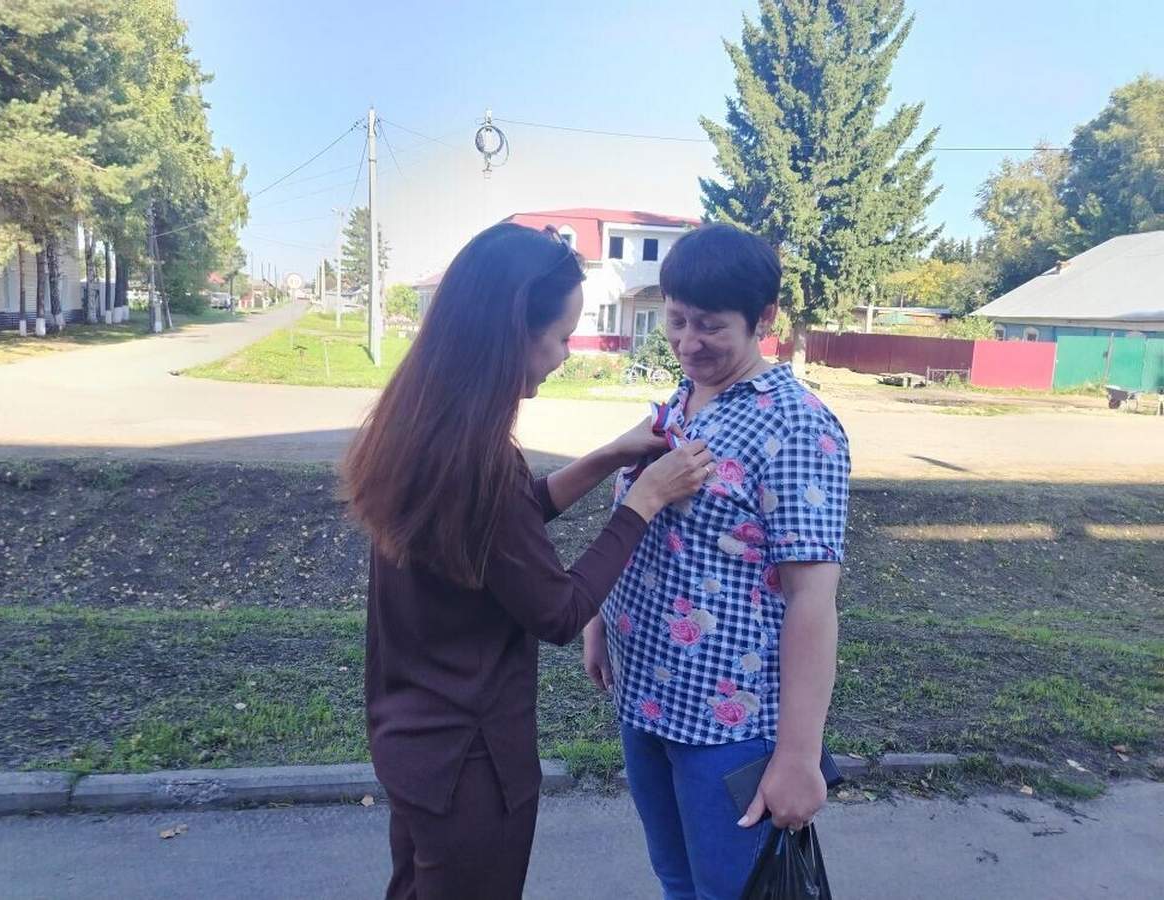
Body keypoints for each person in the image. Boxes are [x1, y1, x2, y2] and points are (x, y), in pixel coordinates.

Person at [343, 222, 714, 900]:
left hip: (414, 742)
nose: (565, 354)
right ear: (515, 332)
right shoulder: (478, 463)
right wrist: (644, 502)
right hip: (470, 763)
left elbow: (505, 528)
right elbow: (559, 611)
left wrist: (607, 457)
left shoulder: (423, 429)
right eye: (562, 336)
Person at [583, 223, 851, 899]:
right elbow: (645, 526)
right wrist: (598, 618)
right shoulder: (680, 403)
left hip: (728, 721)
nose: (688, 342)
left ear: (764, 318)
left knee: (730, 893)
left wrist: (798, 756)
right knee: (677, 880)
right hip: (646, 696)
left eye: (711, 326)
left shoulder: (795, 424)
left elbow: (813, 600)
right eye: (677, 320)